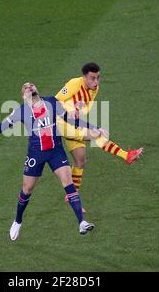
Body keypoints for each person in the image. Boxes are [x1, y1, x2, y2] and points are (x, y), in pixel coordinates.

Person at [0, 82, 102, 241]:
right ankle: (18, 220)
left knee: (68, 183)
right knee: (27, 189)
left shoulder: (52, 102)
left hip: (56, 151)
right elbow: (2, 126)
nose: (30, 86)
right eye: (26, 87)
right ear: (23, 95)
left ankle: (81, 222)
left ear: (37, 89)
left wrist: (93, 127)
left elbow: (71, 119)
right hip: (35, 154)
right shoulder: (21, 111)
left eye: (31, 85)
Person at [55, 62, 143, 209]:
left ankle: (72, 196)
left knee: (80, 160)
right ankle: (125, 156)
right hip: (61, 123)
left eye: (98, 78)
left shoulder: (94, 89)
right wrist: (70, 111)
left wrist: (80, 114)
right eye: (92, 78)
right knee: (95, 135)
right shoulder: (73, 84)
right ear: (84, 77)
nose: (95, 82)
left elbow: (87, 106)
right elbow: (55, 101)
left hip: (74, 123)